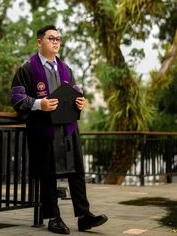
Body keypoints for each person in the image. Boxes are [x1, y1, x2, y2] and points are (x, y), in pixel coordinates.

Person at [10, 25, 108, 234]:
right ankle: (54, 218)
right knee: (49, 173)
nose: (55, 42)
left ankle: (84, 216)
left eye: (58, 39)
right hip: (44, 130)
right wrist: (39, 104)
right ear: (39, 42)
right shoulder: (27, 69)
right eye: (51, 38)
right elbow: (16, 98)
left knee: (77, 172)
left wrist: (80, 102)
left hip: (68, 128)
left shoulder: (66, 69)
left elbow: (74, 93)